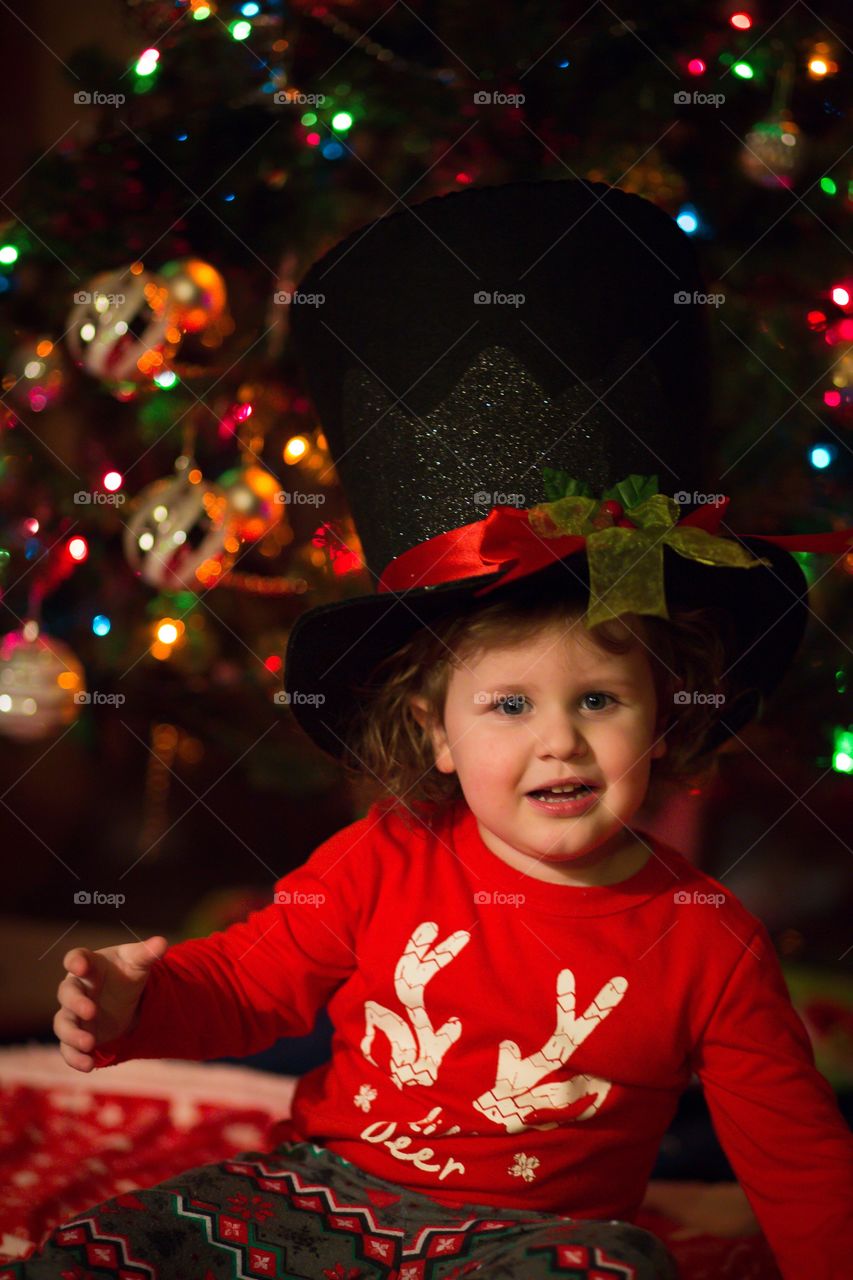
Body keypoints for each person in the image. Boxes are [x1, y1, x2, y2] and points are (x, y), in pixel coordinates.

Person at [20, 179, 853, 1280]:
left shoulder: (706, 938)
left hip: (526, 1242)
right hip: (320, 1192)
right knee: (107, 1242)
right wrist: (138, 998)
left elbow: (796, 1158)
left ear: (664, 710)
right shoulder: (385, 856)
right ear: (439, 730)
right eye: (508, 704)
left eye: (597, 699)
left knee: (616, 1268)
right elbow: (249, 980)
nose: (557, 741)